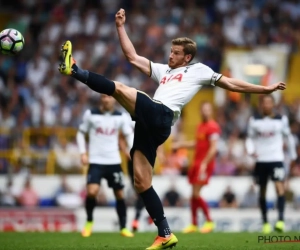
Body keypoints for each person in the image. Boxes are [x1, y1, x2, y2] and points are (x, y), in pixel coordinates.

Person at [58, 8, 286, 249]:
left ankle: (74, 70)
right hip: (150, 124)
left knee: (119, 88)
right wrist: (120, 27)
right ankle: (165, 233)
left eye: (176, 53)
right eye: (170, 51)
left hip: (162, 113)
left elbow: (230, 83)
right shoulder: (164, 71)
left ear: (187, 57)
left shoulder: (199, 71)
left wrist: (264, 89)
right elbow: (133, 57)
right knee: (141, 182)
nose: (170, 56)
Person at [76, 94, 134, 238]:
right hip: (96, 161)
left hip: (114, 161)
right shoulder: (91, 114)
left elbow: (128, 134)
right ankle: (89, 222)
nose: (106, 99)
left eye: (109, 97)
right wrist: (83, 153)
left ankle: (123, 227)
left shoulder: (121, 116)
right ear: (101, 99)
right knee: (92, 192)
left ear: (114, 99)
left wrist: (131, 150)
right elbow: (80, 133)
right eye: (104, 97)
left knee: (119, 194)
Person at [245, 95, 297, 233]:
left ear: (273, 104)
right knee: (262, 191)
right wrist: (251, 150)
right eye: (264, 103)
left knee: (280, 188)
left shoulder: (281, 120)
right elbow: (249, 139)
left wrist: (293, 156)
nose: (267, 105)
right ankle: (265, 222)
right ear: (261, 105)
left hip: (276, 159)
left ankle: (280, 220)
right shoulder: (254, 120)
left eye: (269, 102)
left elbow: (288, 137)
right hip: (261, 160)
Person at [173, 102, 220, 233]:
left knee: (195, 194)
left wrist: (205, 163)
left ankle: (210, 221)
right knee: (193, 195)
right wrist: (181, 144)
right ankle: (194, 224)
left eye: (208, 109)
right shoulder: (200, 126)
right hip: (197, 163)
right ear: (200, 111)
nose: (205, 112)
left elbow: (213, 148)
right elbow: (197, 143)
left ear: (211, 111)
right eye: (203, 109)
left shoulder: (213, 127)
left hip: (205, 164)